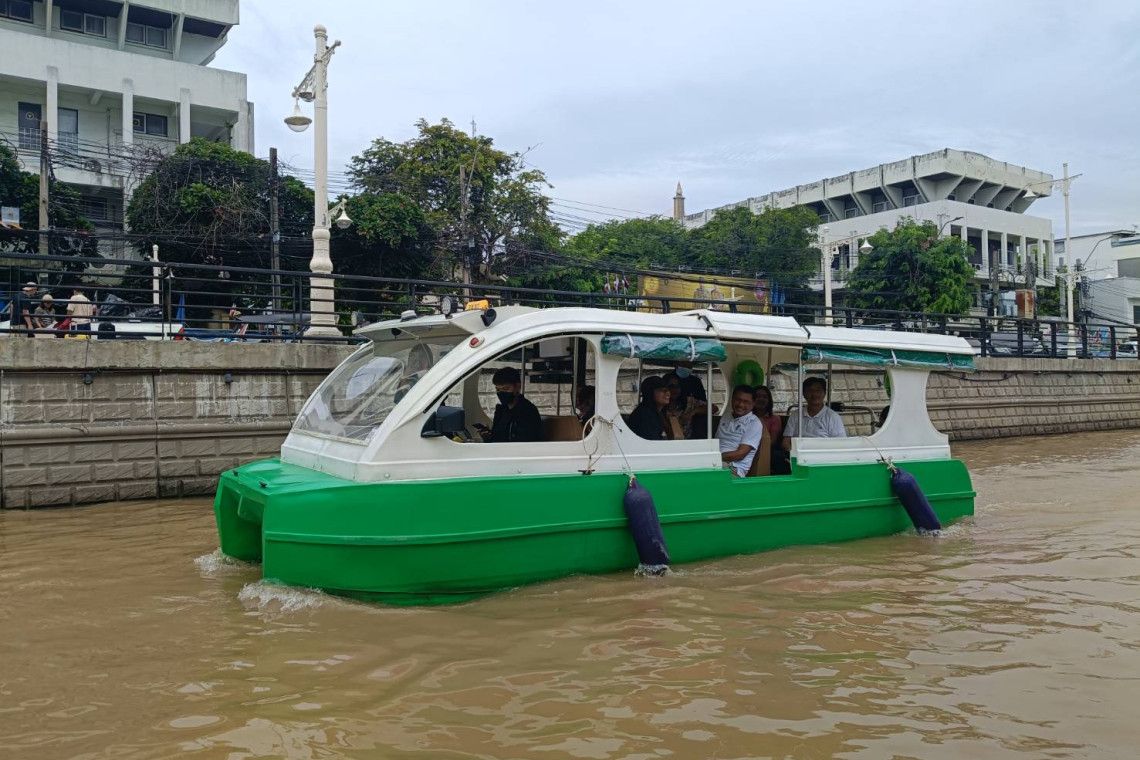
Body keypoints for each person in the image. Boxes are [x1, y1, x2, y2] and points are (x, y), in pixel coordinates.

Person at [481, 366, 542, 443]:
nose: (501, 393)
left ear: (517, 387)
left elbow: (524, 441)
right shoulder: (501, 410)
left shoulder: (528, 411)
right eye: (498, 389)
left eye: (506, 389)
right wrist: (488, 437)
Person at [783, 376, 846, 449]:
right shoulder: (795, 415)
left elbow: (841, 443)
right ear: (803, 394)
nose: (814, 394)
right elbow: (785, 442)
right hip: (798, 455)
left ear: (824, 393)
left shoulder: (833, 417)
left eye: (818, 390)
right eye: (810, 391)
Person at [717, 384, 764, 477]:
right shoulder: (726, 416)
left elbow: (740, 454)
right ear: (732, 399)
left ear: (753, 404)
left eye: (746, 402)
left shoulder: (754, 423)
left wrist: (713, 458)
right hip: (716, 463)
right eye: (738, 400)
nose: (740, 405)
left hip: (733, 469)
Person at [627, 376, 683, 441]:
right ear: (650, 392)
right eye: (663, 390)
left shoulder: (656, 411)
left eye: (668, 390)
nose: (668, 393)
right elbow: (652, 443)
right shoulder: (645, 415)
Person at [666, 363, 709, 438]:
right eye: (671, 386)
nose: (674, 390)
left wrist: (693, 412)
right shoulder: (660, 406)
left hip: (688, 443)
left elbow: (713, 408)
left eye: (677, 386)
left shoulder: (689, 402)